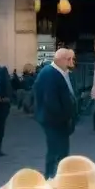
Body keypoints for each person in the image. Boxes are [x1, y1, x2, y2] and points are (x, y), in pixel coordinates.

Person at [34, 48, 78, 178]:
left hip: (60, 120)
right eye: (71, 59)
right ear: (63, 60)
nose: (73, 61)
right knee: (55, 149)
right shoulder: (50, 73)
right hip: (53, 120)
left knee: (62, 150)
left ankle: (60, 175)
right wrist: (64, 117)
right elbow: (51, 101)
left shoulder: (63, 72)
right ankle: (51, 176)